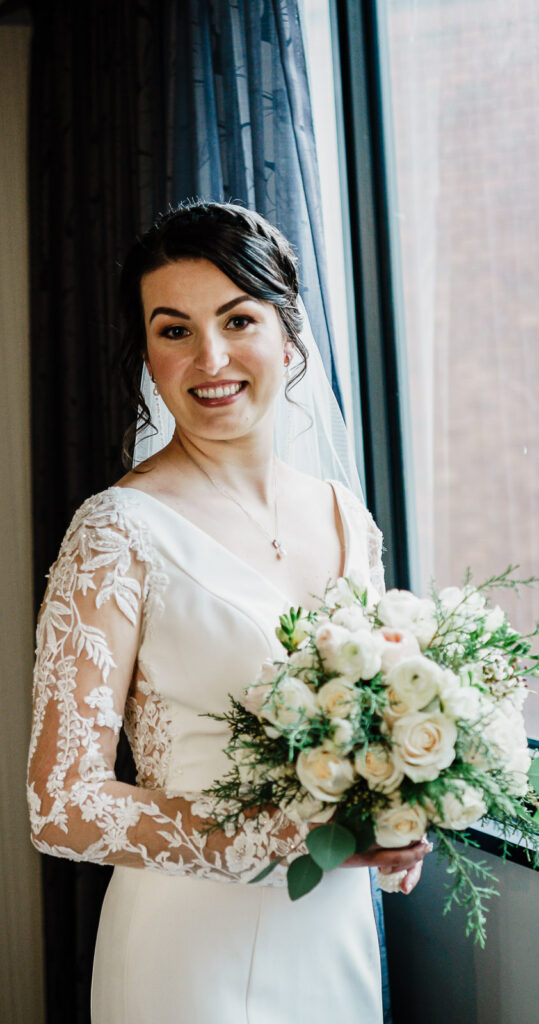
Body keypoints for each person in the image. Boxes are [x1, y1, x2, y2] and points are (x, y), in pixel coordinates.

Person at [27, 201, 431, 1023]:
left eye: (237, 319)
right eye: (173, 330)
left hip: (332, 931)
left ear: (288, 337)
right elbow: (62, 806)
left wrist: (401, 804)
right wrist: (290, 840)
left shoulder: (343, 516)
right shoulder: (116, 533)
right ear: (146, 352)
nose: (209, 358)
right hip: (190, 953)